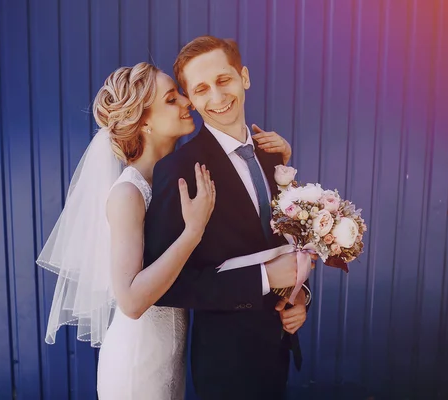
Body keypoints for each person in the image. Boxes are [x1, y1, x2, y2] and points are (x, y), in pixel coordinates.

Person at [36, 61, 300, 400]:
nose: (187, 102)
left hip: (171, 352)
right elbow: (131, 301)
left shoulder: (175, 177)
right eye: (171, 99)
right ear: (144, 120)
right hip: (139, 360)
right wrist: (192, 232)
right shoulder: (128, 194)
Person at [144, 36, 316, 400]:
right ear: (191, 98)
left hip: (278, 349)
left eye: (224, 80)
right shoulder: (177, 170)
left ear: (244, 77)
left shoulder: (273, 156)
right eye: (202, 89)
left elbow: (285, 245)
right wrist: (265, 278)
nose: (218, 97)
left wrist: (300, 296)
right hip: (227, 366)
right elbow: (167, 286)